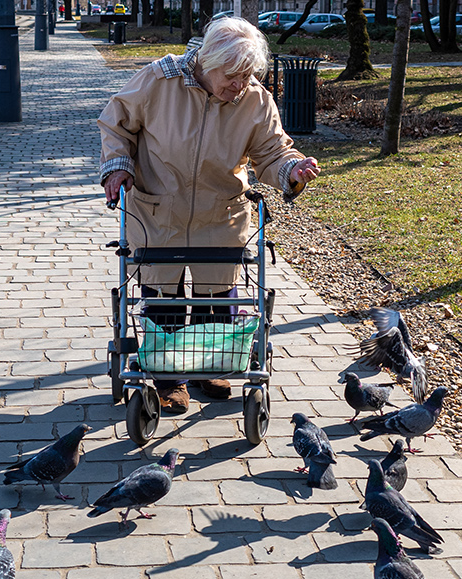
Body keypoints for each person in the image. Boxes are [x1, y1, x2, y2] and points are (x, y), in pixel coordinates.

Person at [98, 17, 320, 414]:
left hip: (221, 213)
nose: (240, 85)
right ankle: (168, 380)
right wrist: (118, 166)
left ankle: (210, 366)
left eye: (247, 75)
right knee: (162, 299)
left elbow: (273, 153)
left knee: (216, 298)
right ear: (208, 60)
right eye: (232, 75)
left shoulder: (254, 100)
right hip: (158, 211)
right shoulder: (157, 81)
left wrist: (293, 170)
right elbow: (117, 125)